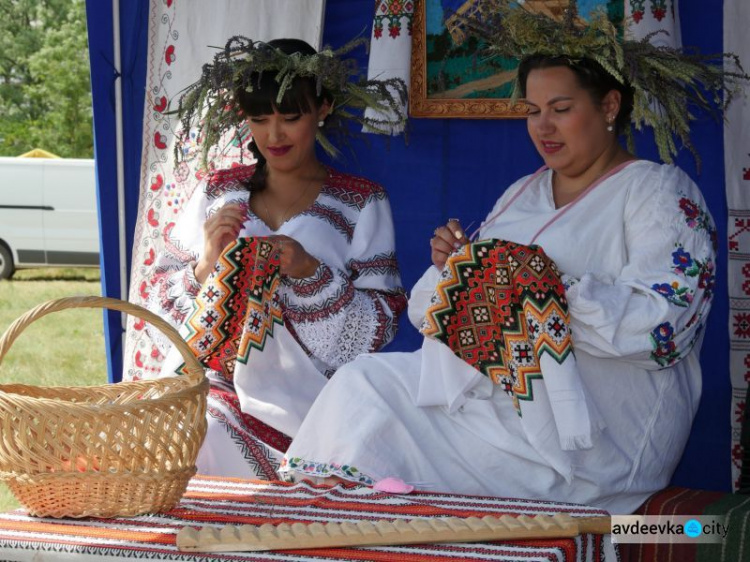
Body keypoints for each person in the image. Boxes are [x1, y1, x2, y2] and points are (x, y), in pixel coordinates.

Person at [279, 2, 747, 514]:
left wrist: (534, 287)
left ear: (610, 106)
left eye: (561, 109)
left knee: (375, 410)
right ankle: (324, 534)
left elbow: (665, 330)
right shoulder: (522, 193)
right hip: (500, 408)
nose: (543, 126)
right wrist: (457, 270)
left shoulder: (658, 193)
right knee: (363, 385)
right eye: (532, 110)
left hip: (598, 443)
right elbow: (428, 312)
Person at [147, 37, 408, 480]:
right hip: (218, 387)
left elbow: (381, 321)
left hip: (317, 396)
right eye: (259, 118)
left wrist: (310, 273)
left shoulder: (362, 201)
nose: (274, 135)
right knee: (191, 431)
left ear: (323, 108)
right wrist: (206, 265)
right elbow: (159, 304)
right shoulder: (218, 191)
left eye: (290, 117)